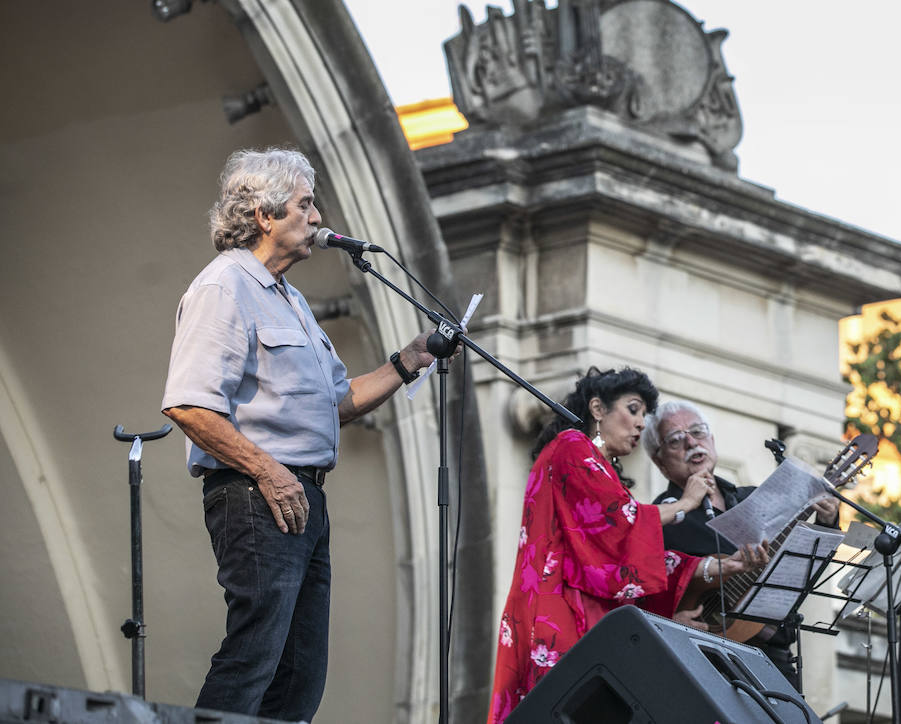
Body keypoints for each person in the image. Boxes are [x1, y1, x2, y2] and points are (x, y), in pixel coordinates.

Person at [161, 147, 434, 722]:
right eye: (305, 205)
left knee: (300, 674)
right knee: (255, 654)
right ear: (264, 214)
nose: (317, 217)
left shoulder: (292, 301)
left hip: (301, 494)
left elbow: (336, 402)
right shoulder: (224, 287)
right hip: (257, 491)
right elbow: (188, 404)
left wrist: (409, 360)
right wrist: (267, 470)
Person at [487, 369, 767, 724]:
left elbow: (623, 552)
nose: (639, 424)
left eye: (643, 416)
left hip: (582, 609)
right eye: (633, 410)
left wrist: (719, 567)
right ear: (598, 408)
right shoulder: (572, 445)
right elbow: (623, 522)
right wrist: (685, 503)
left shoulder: (594, 464)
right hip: (558, 609)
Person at [645, 400, 838, 686]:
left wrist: (828, 521)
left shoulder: (756, 498)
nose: (690, 442)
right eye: (675, 439)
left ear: (712, 439)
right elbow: (647, 598)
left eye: (698, 432)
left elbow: (805, 569)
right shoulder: (661, 519)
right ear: (660, 462)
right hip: (706, 664)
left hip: (775, 660)